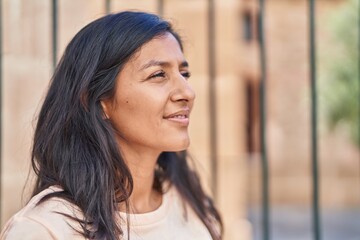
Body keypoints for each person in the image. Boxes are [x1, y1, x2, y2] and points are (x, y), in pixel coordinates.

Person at [0, 11, 222, 240]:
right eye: (158, 75)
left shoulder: (190, 204)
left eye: (184, 74)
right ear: (99, 101)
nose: (188, 92)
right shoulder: (46, 229)